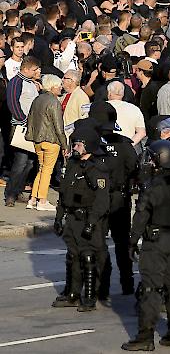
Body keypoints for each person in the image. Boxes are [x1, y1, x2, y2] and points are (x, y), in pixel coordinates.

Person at [122, 140, 170, 351]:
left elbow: (142, 215)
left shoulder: (154, 186)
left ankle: (145, 337)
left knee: (151, 289)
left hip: (156, 240)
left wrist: (132, 241)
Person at [52, 127, 110, 312]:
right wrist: (58, 218)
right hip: (72, 218)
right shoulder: (72, 165)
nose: (75, 147)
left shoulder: (97, 169)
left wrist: (92, 223)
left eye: (78, 144)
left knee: (88, 257)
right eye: (74, 143)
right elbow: (64, 193)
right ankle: (72, 294)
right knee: (72, 256)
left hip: (88, 219)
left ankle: (90, 297)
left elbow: (102, 200)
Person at [86, 102, 139, 298]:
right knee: (122, 242)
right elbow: (134, 168)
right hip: (120, 197)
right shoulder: (125, 143)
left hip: (98, 199)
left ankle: (102, 287)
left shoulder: (91, 145)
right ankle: (127, 283)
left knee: (99, 243)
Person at [25, 74, 67, 211]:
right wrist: (65, 145)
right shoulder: (54, 102)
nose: (61, 87)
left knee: (41, 169)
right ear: (53, 86)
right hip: (51, 140)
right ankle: (42, 201)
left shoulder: (37, 99)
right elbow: (59, 127)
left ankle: (32, 199)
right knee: (47, 171)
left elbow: (30, 119)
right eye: (59, 85)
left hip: (37, 140)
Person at [5, 57, 40, 207]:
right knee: (20, 161)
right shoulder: (16, 81)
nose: (36, 72)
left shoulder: (30, 82)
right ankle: (11, 194)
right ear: (25, 69)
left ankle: (17, 190)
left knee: (30, 162)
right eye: (34, 70)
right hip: (22, 127)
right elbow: (13, 102)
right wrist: (23, 119)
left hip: (31, 126)